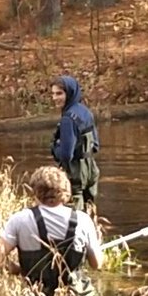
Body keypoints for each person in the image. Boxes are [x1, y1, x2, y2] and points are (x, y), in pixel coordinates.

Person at [0, 165, 101, 296]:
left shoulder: (19, 220)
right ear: (66, 192)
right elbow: (97, 264)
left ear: (35, 192)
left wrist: (18, 270)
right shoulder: (83, 220)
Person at [50, 75, 100, 211]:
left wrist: (55, 149)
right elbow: (95, 145)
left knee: (74, 218)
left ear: (70, 92)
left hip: (75, 174)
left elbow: (66, 155)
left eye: (59, 93)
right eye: (53, 94)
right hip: (91, 171)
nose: (55, 98)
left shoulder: (68, 119)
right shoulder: (86, 112)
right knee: (90, 214)